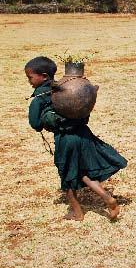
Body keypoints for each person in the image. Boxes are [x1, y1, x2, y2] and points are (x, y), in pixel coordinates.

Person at [26, 56, 127, 221]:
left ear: (43, 76)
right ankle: (108, 198)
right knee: (81, 171)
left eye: (30, 77)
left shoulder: (40, 96)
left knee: (67, 173)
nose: (29, 81)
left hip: (66, 139)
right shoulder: (67, 86)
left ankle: (76, 211)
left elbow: (35, 124)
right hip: (83, 133)